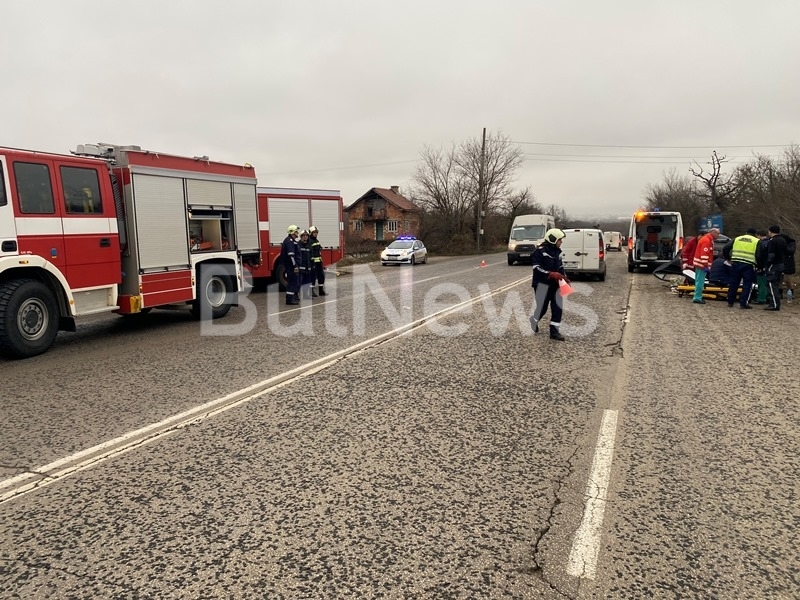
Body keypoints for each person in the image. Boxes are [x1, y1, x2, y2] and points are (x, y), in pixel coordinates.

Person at [529, 228, 569, 341]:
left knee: (558, 307)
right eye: (560, 240)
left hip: (555, 285)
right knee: (542, 307)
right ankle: (534, 320)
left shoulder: (558, 252)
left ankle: (554, 332)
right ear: (553, 239)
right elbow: (536, 268)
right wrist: (550, 274)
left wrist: (564, 278)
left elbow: (560, 267)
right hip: (541, 284)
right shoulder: (540, 251)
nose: (561, 242)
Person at [725, 228, 759, 309]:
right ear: (755, 234)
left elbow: (726, 248)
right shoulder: (756, 241)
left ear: (746, 232)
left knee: (734, 283)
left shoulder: (737, 239)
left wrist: (728, 258)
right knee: (747, 284)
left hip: (736, 263)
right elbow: (759, 254)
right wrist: (759, 265)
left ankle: (730, 302)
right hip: (749, 264)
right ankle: (743, 303)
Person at [692, 228, 719, 304]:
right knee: (700, 282)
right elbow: (704, 254)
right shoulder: (707, 241)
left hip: (700, 264)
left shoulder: (706, 239)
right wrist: (705, 265)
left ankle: (697, 296)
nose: (718, 235)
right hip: (701, 265)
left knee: (698, 281)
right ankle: (697, 297)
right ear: (713, 232)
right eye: (717, 233)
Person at [764, 225, 788, 311]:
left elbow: (771, 255)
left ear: (770, 231)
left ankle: (774, 304)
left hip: (773, 266)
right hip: (781, 264)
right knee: (776, 284)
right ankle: (775, 303)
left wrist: (767, 263)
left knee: (770, 284)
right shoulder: (783, 240)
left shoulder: (772, 241)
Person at [280, 225, 301, 305]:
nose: (297, 233)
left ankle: (291, 298)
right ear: (292, 232)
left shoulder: (291, 241)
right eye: (296, 231)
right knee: (292, 282)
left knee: (293, 282)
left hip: (291, 266)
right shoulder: (290, 241)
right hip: (291, 267)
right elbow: (291, 255)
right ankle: (289, 300)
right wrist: (295, 266)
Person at [308, 226, 327, 296]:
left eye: (316, 232)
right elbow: (310, 252)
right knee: (312, 276)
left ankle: (321, 290)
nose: (316, 234)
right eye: (314, 233)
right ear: (310, 233)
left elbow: (319, 251)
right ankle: (311, 291)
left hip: (319, 262)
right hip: (313, 262)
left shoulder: (317, 241)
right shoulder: (309, 241)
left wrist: (321, 261)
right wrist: (311, 262)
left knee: (321, 275)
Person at [754, 230, 770, 304]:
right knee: (768, 283)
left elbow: (759, 256)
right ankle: (768, 298)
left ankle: (761, 298)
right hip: (769, 266)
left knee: (761, 283)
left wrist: (759, 266)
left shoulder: (761, 243)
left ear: (759, 235)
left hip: (762, 266)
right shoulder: (770, 242)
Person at [298, 230, 314, 299]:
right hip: (300, 269)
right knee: (298, 283)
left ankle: (305, 295)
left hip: (308, 268)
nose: (305, 237)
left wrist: (312, 265)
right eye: (303, 235)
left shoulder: (309, 245)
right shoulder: (298, 245)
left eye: (306, 235)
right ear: (301, 237)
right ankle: (296, 296)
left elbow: (311, 256)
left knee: (307, 283)